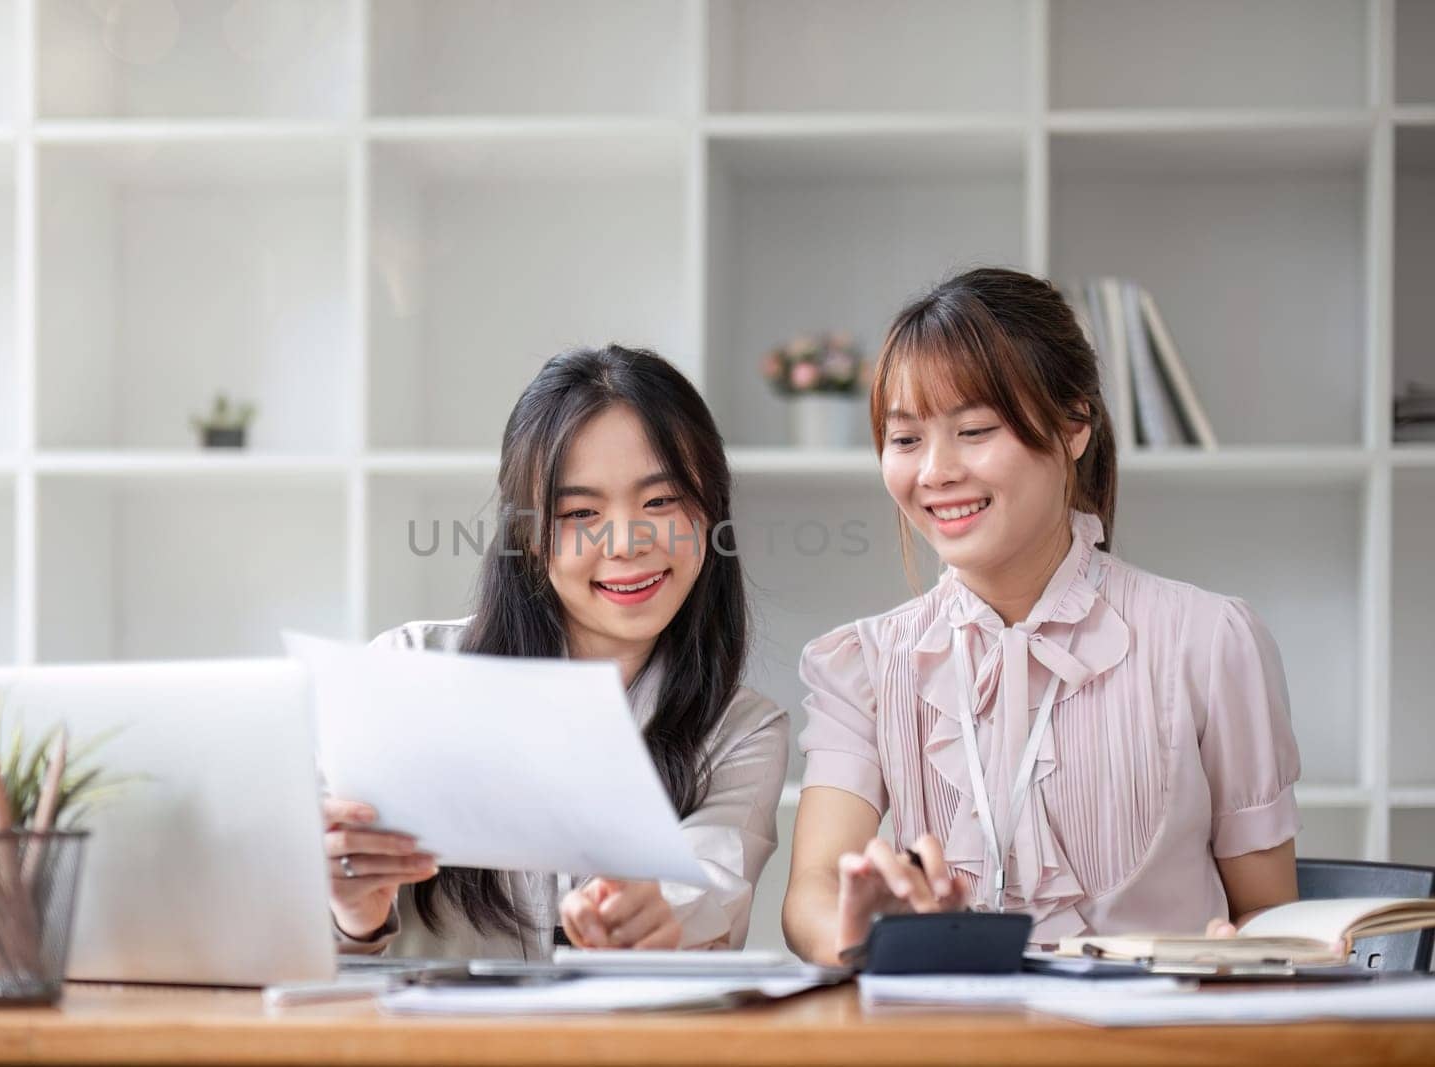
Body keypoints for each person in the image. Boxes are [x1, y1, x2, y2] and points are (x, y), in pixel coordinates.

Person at [781, 268, 1302, 965]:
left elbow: (1271, 916)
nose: (934, 471)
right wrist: (861, 927)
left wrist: (1238, 956)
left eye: (973, 429)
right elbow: (810, 891)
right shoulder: (864, 663)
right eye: (905, 440)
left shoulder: (1208, 642)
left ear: (1074, 424)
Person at [324, 345, 789, 958]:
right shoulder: (407, 671)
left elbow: (707, 887)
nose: (625, 542)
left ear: (710, 513)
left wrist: (648, 916)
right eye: (580, 512)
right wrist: (351, 915)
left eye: (660, 501)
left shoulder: (742, 732)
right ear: (528, 534)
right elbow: (294, 935)